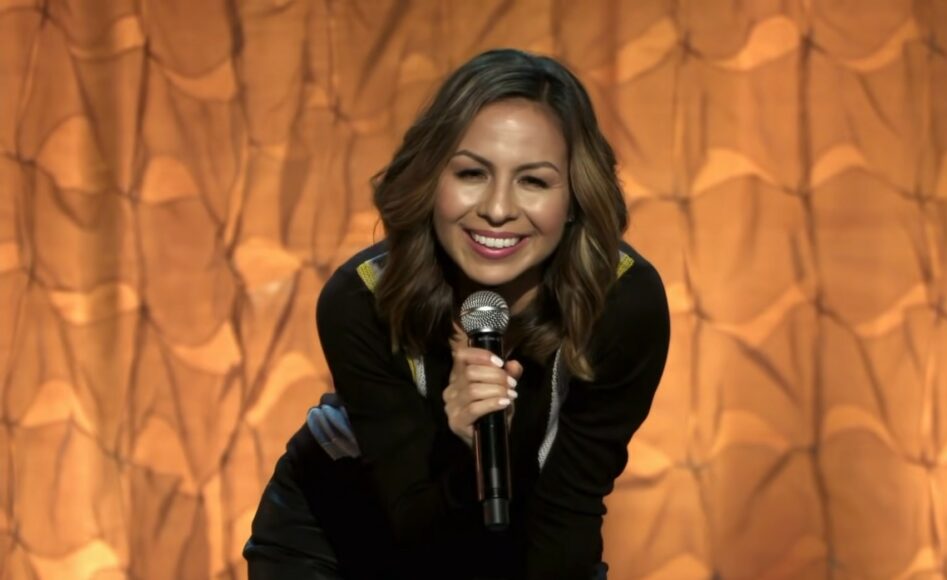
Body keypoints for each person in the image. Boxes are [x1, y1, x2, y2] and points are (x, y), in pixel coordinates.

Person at [243, 48, 670, 579]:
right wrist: (465, 447)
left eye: (533, 181)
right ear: (430, 179)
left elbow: (570, 512)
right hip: (339, 537)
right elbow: (415, 525)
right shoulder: (362, 300)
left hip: (519, 538)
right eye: (471, 173)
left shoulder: (623, 304)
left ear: (576, 197)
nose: (496, 208)